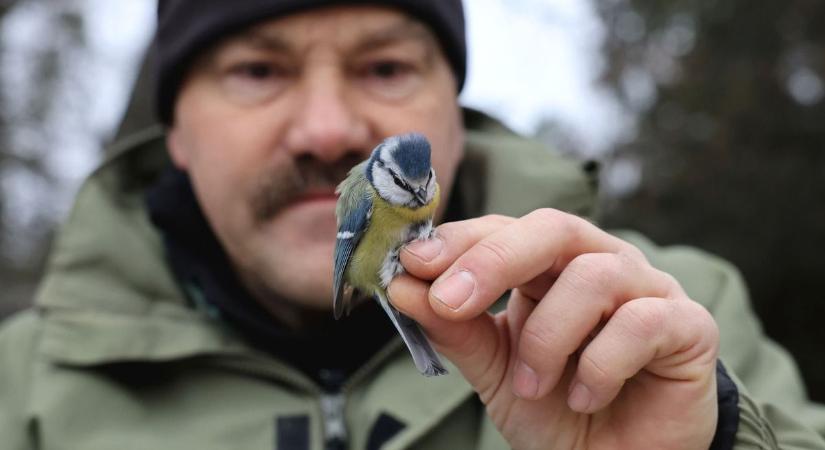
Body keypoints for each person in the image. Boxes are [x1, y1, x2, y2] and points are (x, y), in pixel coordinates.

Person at [1, 1, 824, 448]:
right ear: (173, 128)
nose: (328, 130)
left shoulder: (672, 320)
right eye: (257, 69)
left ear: (455, 110)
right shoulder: (22, 391)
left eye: (385, 65)